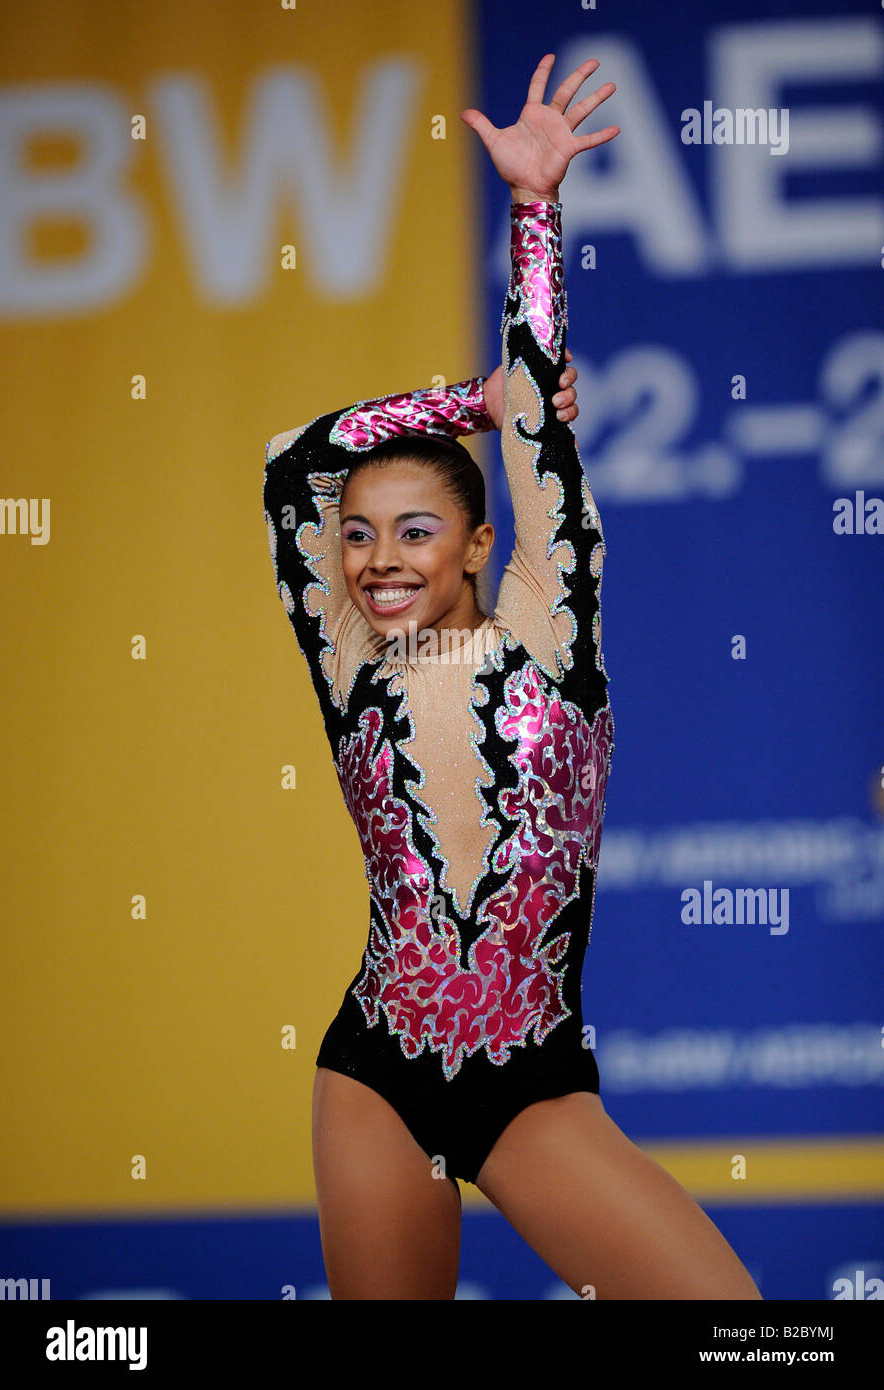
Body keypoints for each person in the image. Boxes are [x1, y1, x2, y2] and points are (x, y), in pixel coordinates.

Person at [263, 53, 762, 1301]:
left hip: (525, 1082)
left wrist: (535, 212)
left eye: (416, 531)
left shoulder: (551, 626)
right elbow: (290, 467)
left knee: (731, 1321)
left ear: (483, 544)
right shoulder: (346, 658)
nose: (378, 560)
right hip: (375, 1064)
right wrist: (454, 403)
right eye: (362, 535)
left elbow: (536, 408)